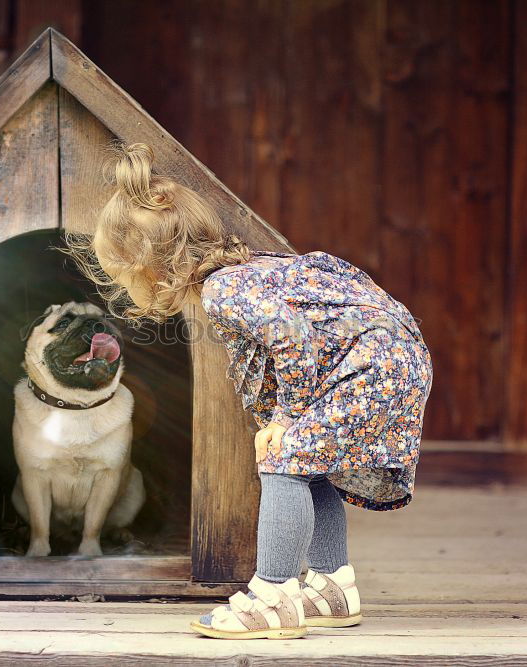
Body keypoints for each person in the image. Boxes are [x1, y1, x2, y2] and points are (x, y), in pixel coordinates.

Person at [62, 141, 433, 640]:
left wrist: (286, 417)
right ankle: (331, 585)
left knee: (284, 458)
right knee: (309, 463)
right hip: (394, 358)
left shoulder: (224, 289)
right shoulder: (254, 270)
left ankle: (272, 596)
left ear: (148, 264)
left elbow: (292, 337)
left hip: (373, 367)